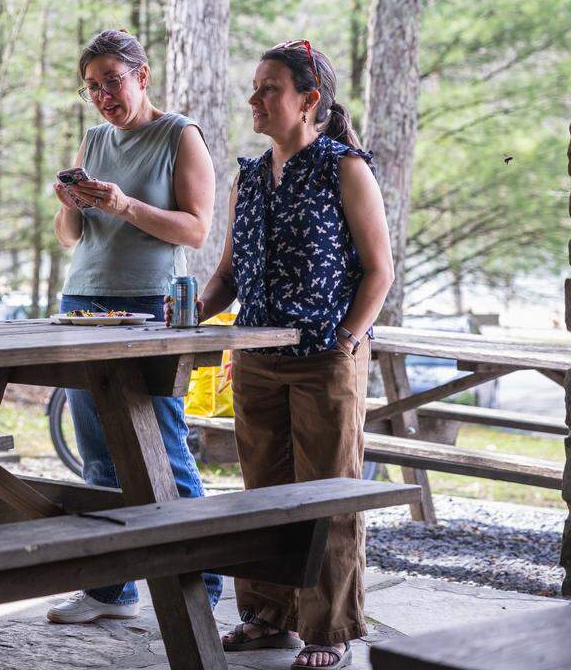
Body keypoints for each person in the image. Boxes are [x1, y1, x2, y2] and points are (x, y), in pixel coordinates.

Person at [188, 41, 393, 670]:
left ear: (308, 100)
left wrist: (346, 339)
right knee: (263, 493)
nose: (254, 99)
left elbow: (379, 271)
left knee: (325, 497)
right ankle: (265, 618)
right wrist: (191, 312)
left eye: (269, 88)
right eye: (253, 87)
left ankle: (329, 630)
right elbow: (228, 274)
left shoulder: (345, 167)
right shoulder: (248, 177)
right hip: (254, 359)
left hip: (324, 360)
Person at [47, 28, 222, 624]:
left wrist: (125, 206)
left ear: (142, 76)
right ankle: (109, 591)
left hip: (151, 305)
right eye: (92, 87)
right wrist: (72, 205)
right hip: (84, 301)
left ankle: (203, 586)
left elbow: (197, 230)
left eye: (112, 82)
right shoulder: (93, 140)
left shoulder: (180, 135)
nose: (102, 97)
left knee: (162, 446)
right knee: (96, 453)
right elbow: (69, 237)